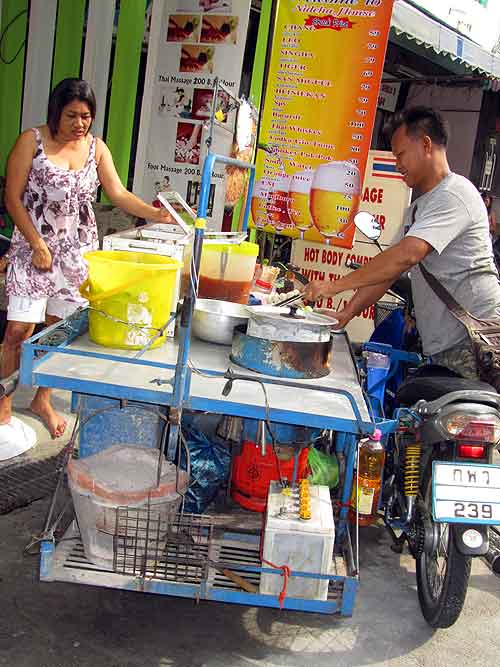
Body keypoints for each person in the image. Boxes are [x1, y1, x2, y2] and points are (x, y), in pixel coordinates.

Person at [2, 78, 173, 444]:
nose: (80, 123)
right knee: (19, 330)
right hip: (33, 249)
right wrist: (35, 243)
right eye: (72, 116)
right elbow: (12, 199)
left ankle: (41, 400)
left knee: (59, 331)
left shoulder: (96, 149)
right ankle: (2, 406)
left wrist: (153, 213)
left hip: (76, 254)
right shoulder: (30, 142)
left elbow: (117, 192)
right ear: (56, 113)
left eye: (86, 116)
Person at [304, 106, 500, 380]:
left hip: (477, 344)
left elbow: (406, 256)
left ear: (425, 144)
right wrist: (347, 313)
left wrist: (333, 286)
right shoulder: (419, 209)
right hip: (448, 347)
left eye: (401, 155)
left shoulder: (456, 195)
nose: (397, 165)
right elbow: (389, 271)